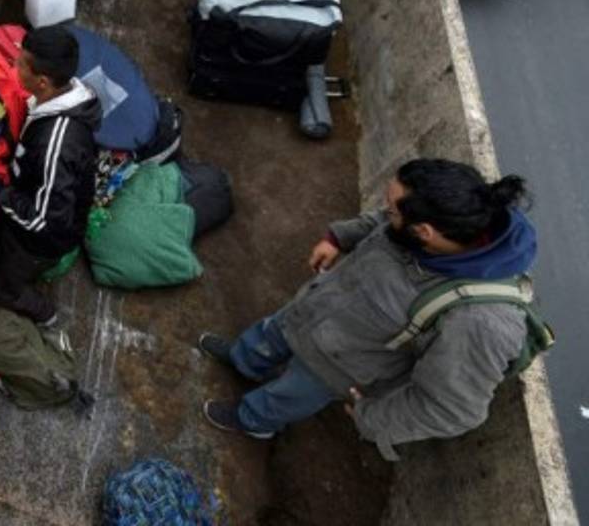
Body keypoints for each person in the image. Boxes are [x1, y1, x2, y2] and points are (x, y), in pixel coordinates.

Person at [200, 159, 539, 460]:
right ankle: (245, 360)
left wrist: (371, 418)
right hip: (314, 308)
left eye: (392, 210)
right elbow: (384, 220)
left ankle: (253, 421)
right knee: (272, 332)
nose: (384, 211)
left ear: (424, 233)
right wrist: (339, 237)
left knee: (287, 396)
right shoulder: (452, 215)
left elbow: (452, 408)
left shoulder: (480, 322)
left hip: (335, 365)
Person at [0, 26, 101, 327]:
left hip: (44, 238)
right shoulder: (60, 95)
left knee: (0, 289)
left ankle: (47, 315)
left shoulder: (56, 144)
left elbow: (44, 220)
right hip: (39, 197)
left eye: (21, 63)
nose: (14, 65)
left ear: (43, 81)